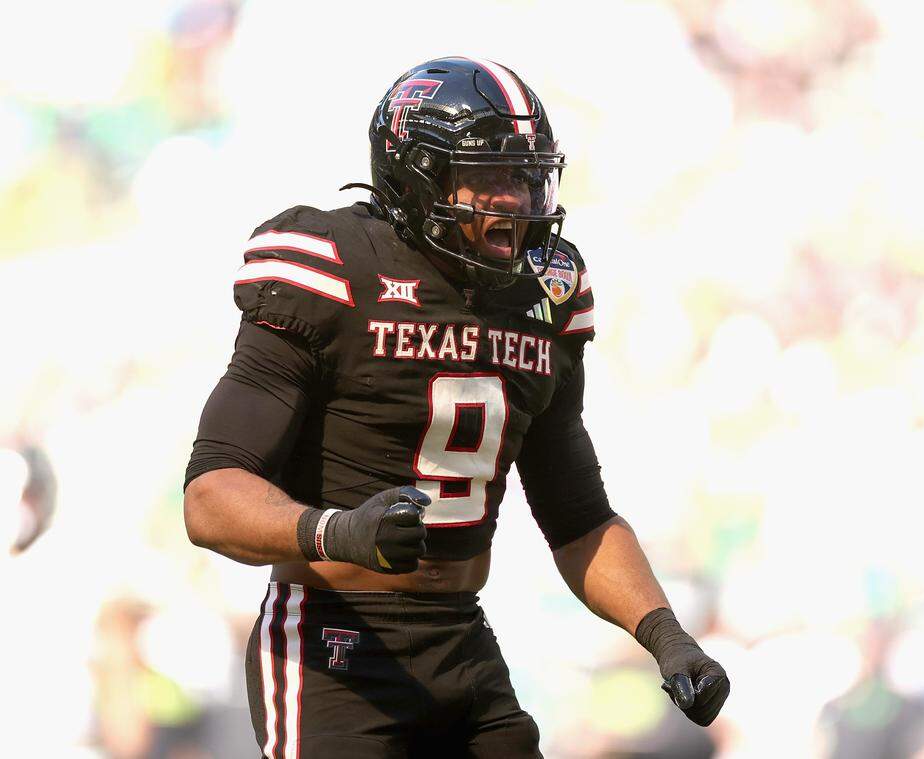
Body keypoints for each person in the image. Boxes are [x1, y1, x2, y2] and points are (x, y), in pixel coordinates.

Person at [183, 56, 729, 758]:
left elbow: (577, 516)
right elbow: (210, 495)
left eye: (529, 175)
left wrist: (667, 636)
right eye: (494, 175)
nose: (519, 197)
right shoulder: (334, 265)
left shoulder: (544, 297)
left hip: (460, 638)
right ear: (417, 175)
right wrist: (338, 530)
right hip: (332, 642)